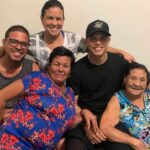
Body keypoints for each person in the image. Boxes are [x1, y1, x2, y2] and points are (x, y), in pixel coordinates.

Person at [65, 19, 133, 150]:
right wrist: (87, 125)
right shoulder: (77, 69)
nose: (98, 42)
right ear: (87, 42)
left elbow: (138, 86)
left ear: (108, 41)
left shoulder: (121, 65)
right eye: (93, 38)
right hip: (86, 120)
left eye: (102, 38)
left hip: (112, 120)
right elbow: (73, 103)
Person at [0, 46, 82, 149]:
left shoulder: (70, 93)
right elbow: (2, 95)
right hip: (12, 142)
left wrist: (85, 113)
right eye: (56, 64)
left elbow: (71, 120)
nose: (61, 69)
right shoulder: (37, 78)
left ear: (70, 71)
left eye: (65, 66)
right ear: (49, 66)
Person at [20, 0, 135, 70]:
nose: (54, 23)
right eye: (50, 18)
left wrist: (121, 52)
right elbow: (11, 48)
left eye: (58, 19)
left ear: (63, 20)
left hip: (69, 90)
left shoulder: (74, 39)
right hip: (42, 91)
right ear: (42, 19)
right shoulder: (32, 40)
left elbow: (96, 45)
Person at [100, 62, 150, 150]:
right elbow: (105, 128)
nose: (137, 84)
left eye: (142, 80)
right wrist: (134, 142)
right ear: (125, 79)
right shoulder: (118, 100)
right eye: (133, 78)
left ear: (146, 83)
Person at [0, 25, 39, 122]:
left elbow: (38, 102)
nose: (19, 47)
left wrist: (19, 114)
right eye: (14, 41)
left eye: (24, 44)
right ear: (4, 42)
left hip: (20, 124)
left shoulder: (32, 68)